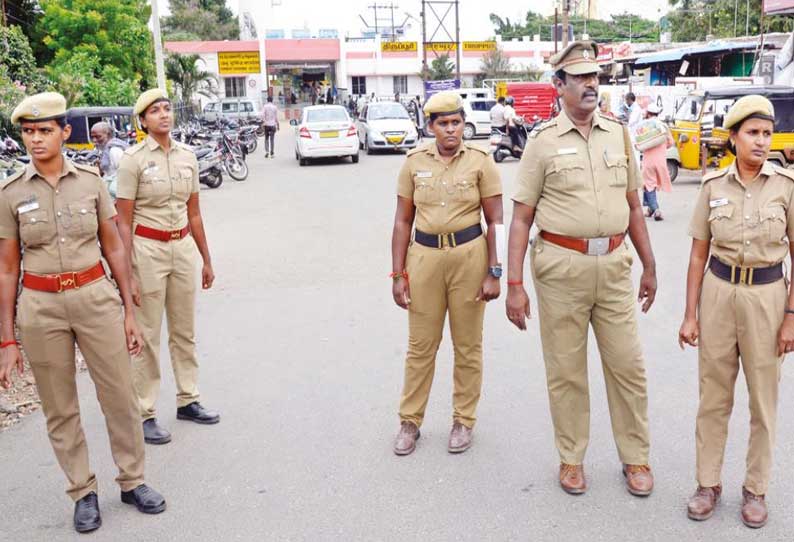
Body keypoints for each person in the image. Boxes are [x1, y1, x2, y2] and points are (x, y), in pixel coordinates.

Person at [0, 92, 165, 533]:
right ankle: (82, 490)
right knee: (60, 407)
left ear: (64, 132)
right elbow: (7, 268)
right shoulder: (11, 193)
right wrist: (7, 339)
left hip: (95, 297)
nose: (35, 140)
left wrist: (130, 311)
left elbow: (114, 247)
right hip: (41, 306)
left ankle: (133, 481)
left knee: (120, 397)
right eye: (28, 132)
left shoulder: (91, 182)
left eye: (44, 130)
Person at [505, 41, 658, 497]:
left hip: (613, 267)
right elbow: (521, 218)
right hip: (561, 269)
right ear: (559, 85)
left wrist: (650, 264)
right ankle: (571, 458)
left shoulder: (619, 134)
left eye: (595, 76)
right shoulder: (542, 142)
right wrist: (514, 284)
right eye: (581, 77)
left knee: (628, 366)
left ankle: (636, 458)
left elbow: (634, 206)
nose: (592, 84)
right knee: (567, 370)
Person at [679, 95, 794, 529]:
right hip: (719, 292)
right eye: (753, 133)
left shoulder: (785, 187)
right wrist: (690, 315)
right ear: (733, 138)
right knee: (713, 397)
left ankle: (755, 489)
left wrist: (791, 315)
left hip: (767, 296)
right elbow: (696, 257)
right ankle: (708, 484)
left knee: (763, 401)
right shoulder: (713, 187)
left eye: (766, 133)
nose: (762, 141)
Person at [391, 91, 503, 456]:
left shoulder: (481, 162)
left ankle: (463, 420)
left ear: (463, 124)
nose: (451, 130)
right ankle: (410, 421)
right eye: (443, 123)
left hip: (469, 257)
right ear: (431, 127)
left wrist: (495, 271)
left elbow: (496, 221)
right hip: (423, 259)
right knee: (420, 346)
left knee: (468, 345)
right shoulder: (412, 164)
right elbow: (402, 220)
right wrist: (397, 274)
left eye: (456, 122)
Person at [116, 89, 219, 446]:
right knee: (146, 335)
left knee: (184, 330)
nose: (163, 115)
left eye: (165, 108)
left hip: (182, 248)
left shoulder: (187, 156)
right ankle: (144, 412)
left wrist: (206, 258)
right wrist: (126, 273)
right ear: (142, 121)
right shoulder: (133, 160)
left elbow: (194, 214)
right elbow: (122, 222)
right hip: (147, 250)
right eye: (153, 111)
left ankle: (188, 398)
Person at [637, 103, 674, 221]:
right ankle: (650, 209)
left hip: (648, 161)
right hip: (661, 161)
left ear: (648, 113)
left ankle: (656, 210)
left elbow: (638, 141)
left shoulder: (642, 125)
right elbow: (670, 143)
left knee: (648, 185)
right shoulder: (663, 126)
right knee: (650, 185)